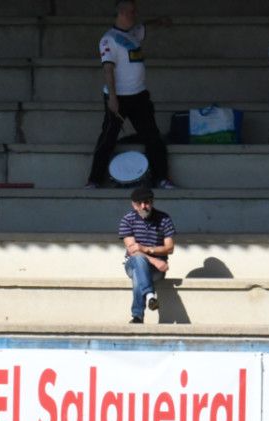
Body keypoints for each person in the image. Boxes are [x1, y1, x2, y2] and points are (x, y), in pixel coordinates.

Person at [85, 0, 174, 189]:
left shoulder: (133, 33)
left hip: (139, 95)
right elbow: (108, 69)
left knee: (153, 137)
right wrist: (113, 98)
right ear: (123, 13)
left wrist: (159, 21)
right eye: (133, 12)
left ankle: (161, 178)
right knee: (108, 138)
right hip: (119, 96)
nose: (135, 15)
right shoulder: (108, 39)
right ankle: (94, 180)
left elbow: (144, 26)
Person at [119, 186, 174, 324]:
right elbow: (133, 250)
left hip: (156, 270)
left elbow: (170, 248)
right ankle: (150, 295)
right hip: (134, 264)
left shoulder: (164, 218)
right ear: (133, 204)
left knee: (139, 274)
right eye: (139, 203)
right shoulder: (127, 220)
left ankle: (138, 316)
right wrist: (154, 260)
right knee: (138, 260)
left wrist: (147, 249)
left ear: (152, 201)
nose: (144, 206)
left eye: (147, 202)